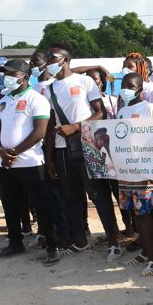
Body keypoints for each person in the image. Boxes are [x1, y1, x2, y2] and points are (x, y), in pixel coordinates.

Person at [42, 45, 123, 262]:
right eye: (48, 57)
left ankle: (114, 242)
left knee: (99, 195)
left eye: (53, 57)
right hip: (61, 150)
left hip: (88, 145)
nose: (48, 60)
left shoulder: (84, 81)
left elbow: (100, 113)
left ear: (66, 59)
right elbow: (50, 125)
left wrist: (76, 127)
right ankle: (80, 241)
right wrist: (49, 157)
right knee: (71, 197)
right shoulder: (48, 89)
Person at [0, 59, 60, 264]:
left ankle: (52, 245)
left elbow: (40, 132)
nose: (7, 78)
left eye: (12, 74)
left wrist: (14, 152)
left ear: (25, 76)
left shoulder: (36, 99)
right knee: (11, 205)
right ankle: (15, 242)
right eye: (5, 74)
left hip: (30, 162)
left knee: (41, 205)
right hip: (5, 163)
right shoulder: (3, 101)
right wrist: (1, 151)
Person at [113, 73, 153, 277]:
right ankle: (144, 252)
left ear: (140, 89)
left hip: (144, 170)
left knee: (144, 213)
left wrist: (152, 168)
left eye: (131, 85)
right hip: (126, 170)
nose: (125, 88)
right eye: (123, 84)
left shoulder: (149, 108)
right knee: (135, 214)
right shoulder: (122, 111)